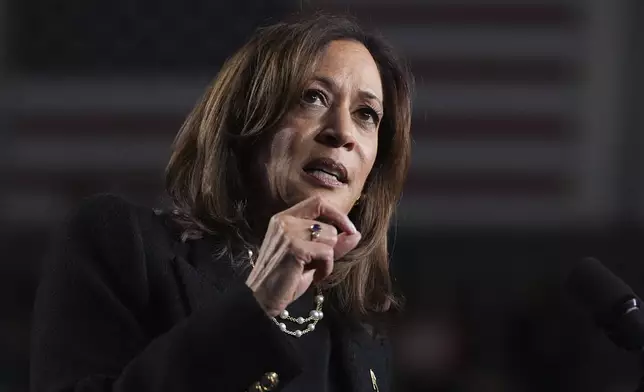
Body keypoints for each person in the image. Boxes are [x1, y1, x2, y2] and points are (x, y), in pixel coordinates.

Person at [30, 13, 412, 392]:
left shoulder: (364, 343)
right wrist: (256, 305)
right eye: (313, 97)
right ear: (246, 122)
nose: (342, 132)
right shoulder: (121, 245)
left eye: (366, 115)